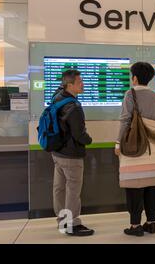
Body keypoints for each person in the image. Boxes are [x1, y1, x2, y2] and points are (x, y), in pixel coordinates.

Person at [115, 62, 155, 237]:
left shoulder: (130, 94)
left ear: (135, 78)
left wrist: (118, 143)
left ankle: (135, 225)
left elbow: (125, 121)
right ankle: (151, 222)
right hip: (154, 147)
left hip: (135, 146)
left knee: (134, 185)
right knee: (152, 184)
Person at [52, 69, 94, 236]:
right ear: (70, 85)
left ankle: (62, 221)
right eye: (80, 82)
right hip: (71, 155)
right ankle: (72, 224)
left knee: (59, 188)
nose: (82, 84)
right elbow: (79, 135)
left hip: (57, 152)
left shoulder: (57, 97)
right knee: (73, 190)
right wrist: (89, 140)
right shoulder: (74, 107)